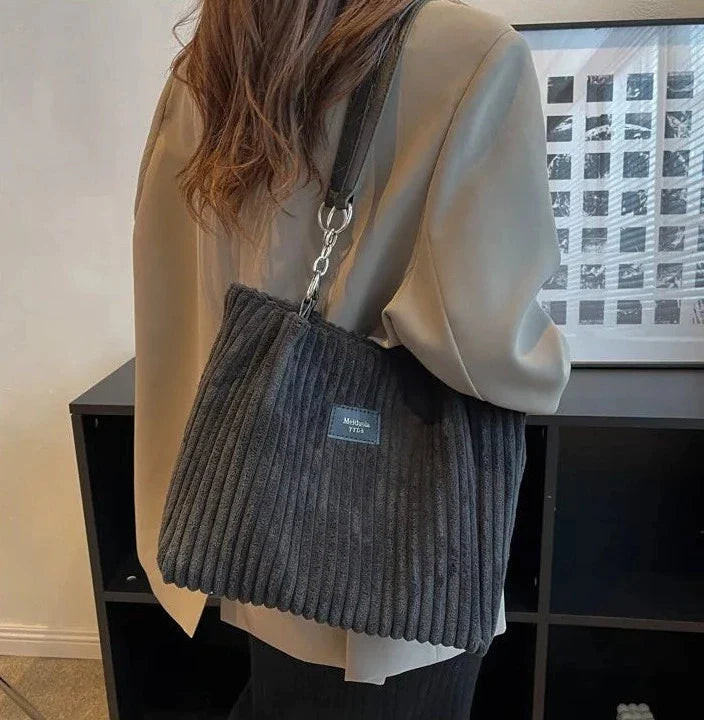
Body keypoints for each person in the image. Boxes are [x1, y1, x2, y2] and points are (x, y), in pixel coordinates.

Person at [132, 0, 570, 717]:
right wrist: (549, 363)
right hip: (393, 560)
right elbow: (483, 342)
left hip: (250, 514)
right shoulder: (473, 51)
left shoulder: (211, 61)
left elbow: (167, 287)